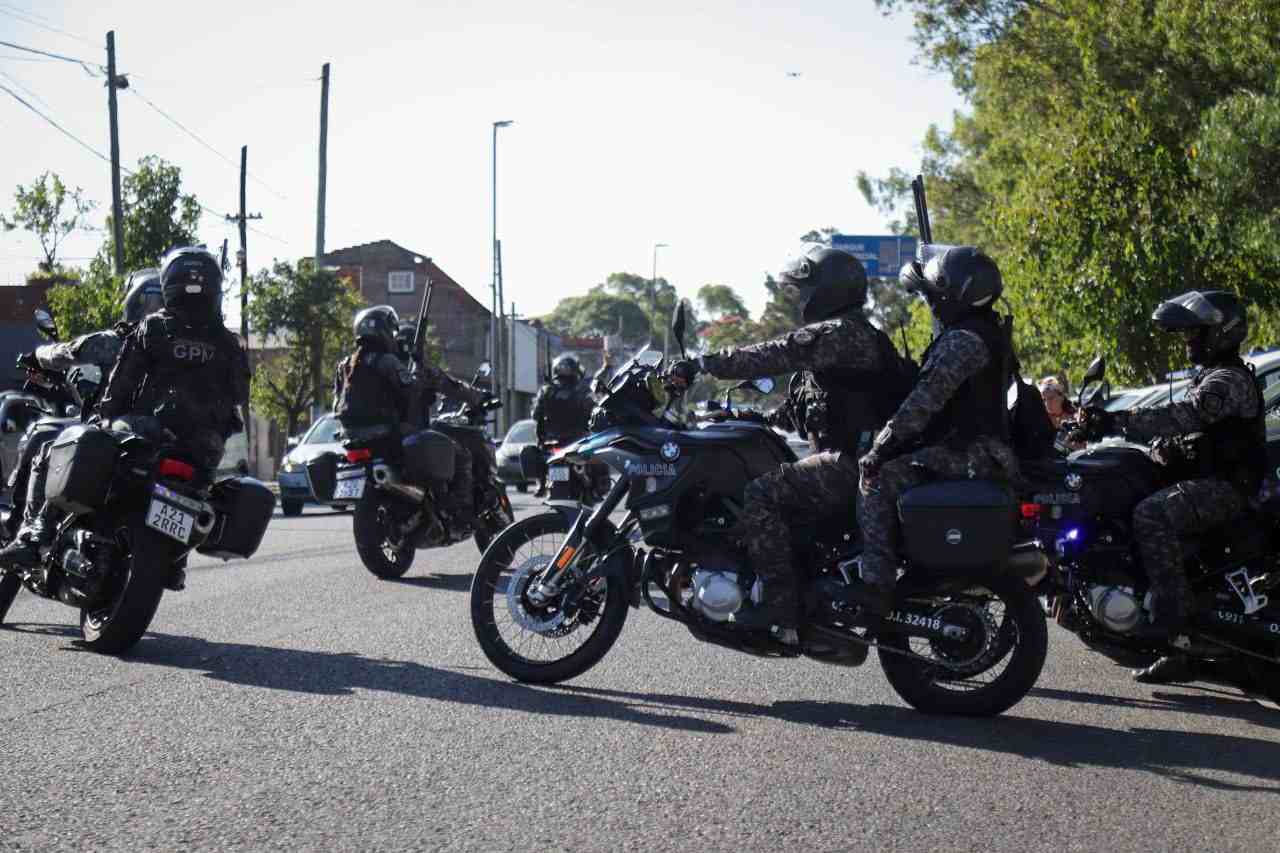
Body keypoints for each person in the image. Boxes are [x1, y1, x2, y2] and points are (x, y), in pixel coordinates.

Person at [665, 246, 915, 638]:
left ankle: (780, 606)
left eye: (805, 291)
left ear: (827, 290)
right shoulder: (843, 341)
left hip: (855, 464)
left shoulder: (842, 333)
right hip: (849, 458)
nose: (800, 300)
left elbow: (774, 353)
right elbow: (803, 414)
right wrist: (750, 418)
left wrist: (701, 364)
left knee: (761, 494)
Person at [2, 248, 250, 569]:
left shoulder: (142, 331)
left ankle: (36, 533)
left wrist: (107, 417)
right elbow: (239, 395)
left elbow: (120, 383)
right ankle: (172, 562)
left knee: (60, 446)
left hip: (145, 433)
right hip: (204, 450)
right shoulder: (228, 343)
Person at [1079, 290, 1263, 685]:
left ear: (1221, 333)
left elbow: (1187, 415)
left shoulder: (1229, 379)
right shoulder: (1211, 376)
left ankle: (1171, 620)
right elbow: (1190, 435)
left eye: (1195, 333)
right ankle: (1171, 641)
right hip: (1205, 480)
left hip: (1227, 488)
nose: (1188, 342)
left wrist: (1116, 421)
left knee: (1152, 515)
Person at [855, 245, 1016, 616]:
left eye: (934, 296)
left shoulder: (963, 340)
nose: (931, 304)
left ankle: (875, 588)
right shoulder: (986, 331)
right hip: (982, 449)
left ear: (955, 292)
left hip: (971, 453)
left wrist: (880, 449)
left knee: (876, 480)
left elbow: (922, 404)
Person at [3, 271, 162, 543]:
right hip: (163, 441)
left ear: (134, 302)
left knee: (45, 441)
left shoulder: (117, 341)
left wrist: (37, 355)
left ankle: (32, 531)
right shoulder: (183, 351)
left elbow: (66, 352)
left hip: (116, 432)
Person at [333, 307, 477, 538]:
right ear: (384, 331)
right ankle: (459, 510)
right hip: (388, 433)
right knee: (459, 453)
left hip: (351, 437)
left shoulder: (345, 365)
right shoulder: (386, 361)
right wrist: (424, 387)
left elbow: (336, 403)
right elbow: (411, 390)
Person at [393, 321, 493, 512]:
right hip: (415, 434)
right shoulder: (419, 369)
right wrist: (480, 397)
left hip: (390, 436)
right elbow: (453, 387)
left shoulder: (386, 368)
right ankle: (460, 507)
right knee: (462, 455)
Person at [531, 354, 594, 496]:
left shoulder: (546, 390)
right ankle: (589, 484)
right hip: (576, 441)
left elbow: (535, 415)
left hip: (551, 442)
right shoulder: (583, 390)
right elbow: (592, 411)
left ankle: (541, 482)